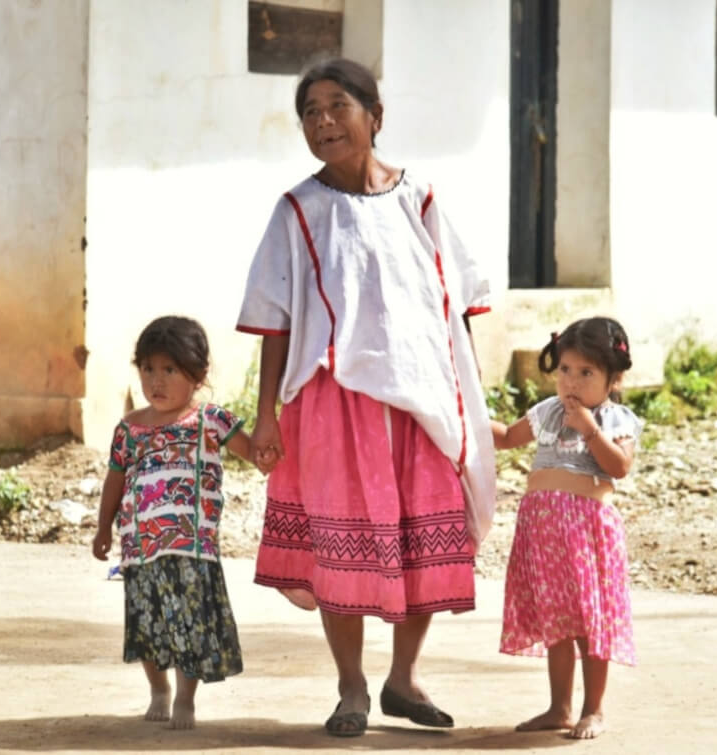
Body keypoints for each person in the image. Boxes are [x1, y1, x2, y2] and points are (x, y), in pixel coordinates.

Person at [236, 58, 497, 737]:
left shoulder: (421, 199)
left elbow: (458, 303)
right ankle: (351, 686)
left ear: (375, 117)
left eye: (337, 106)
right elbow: (273, 319)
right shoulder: (297, 210)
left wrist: (473, 399)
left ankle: (403, 678)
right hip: (332, 401)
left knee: (424, 533)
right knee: (339, 545)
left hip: (422, 400)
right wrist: (266, 415)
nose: (323, 121)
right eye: (310, 113)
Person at [92, 315, 252, 730]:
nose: (156, 381)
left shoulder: (210, 421)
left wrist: (276, 447)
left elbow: (255, 453)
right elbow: (114, 479)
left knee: (188, 621)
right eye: (148, 369)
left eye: (169, 370)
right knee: (147, 622)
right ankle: (158, 688)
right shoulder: (129, 428)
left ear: (197, 376)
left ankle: (184, 696)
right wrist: (103, 527)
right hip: (139, 547)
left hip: (191, 547)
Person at [491, 317, 643, 740]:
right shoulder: (546, 412)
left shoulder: (615, 419)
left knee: (590, 622)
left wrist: (591, 430)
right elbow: (505, 437)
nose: (571, 383)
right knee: (557, 622)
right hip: (543, 531)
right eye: (564, 370)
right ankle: (559, 708)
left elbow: (620, 467)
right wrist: (462, 416)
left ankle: (592, 709)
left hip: (588, 532)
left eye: (586, 373)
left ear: (614, 379)